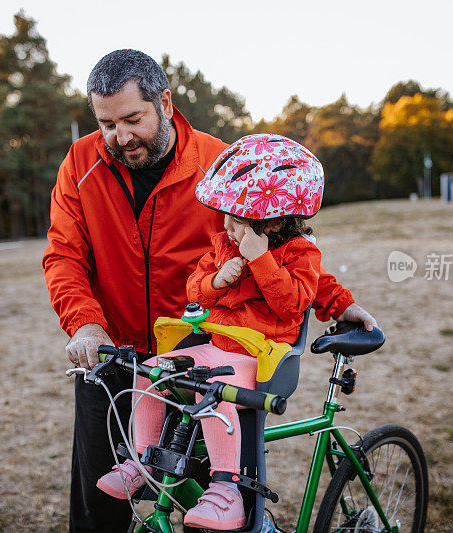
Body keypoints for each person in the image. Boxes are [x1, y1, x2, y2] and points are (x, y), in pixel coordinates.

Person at [42, 49, 377, 533]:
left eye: (132, 119)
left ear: (165, 101)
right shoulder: (81, 162)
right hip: (115, 357)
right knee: (101, 510)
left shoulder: (223, 164)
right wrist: (85, 325)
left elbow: (285, 248)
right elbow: (63, 255)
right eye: (106, 124)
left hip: (206, 354)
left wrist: (338, 302)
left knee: (219, 512)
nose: (120, 137)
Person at [96, 134, 326, 530]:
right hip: (216, 348)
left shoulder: (301, 255)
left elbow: (292, 304)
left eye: (237, 222)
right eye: (227, 218)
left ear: (270, 222)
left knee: (210, 391)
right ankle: (142, 459)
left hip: (262, 360)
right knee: (151, 372)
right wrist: (217, 281)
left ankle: (228, 491)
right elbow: (193, 288)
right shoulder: (223, 246)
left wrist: (260, 260)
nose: (228, 229)